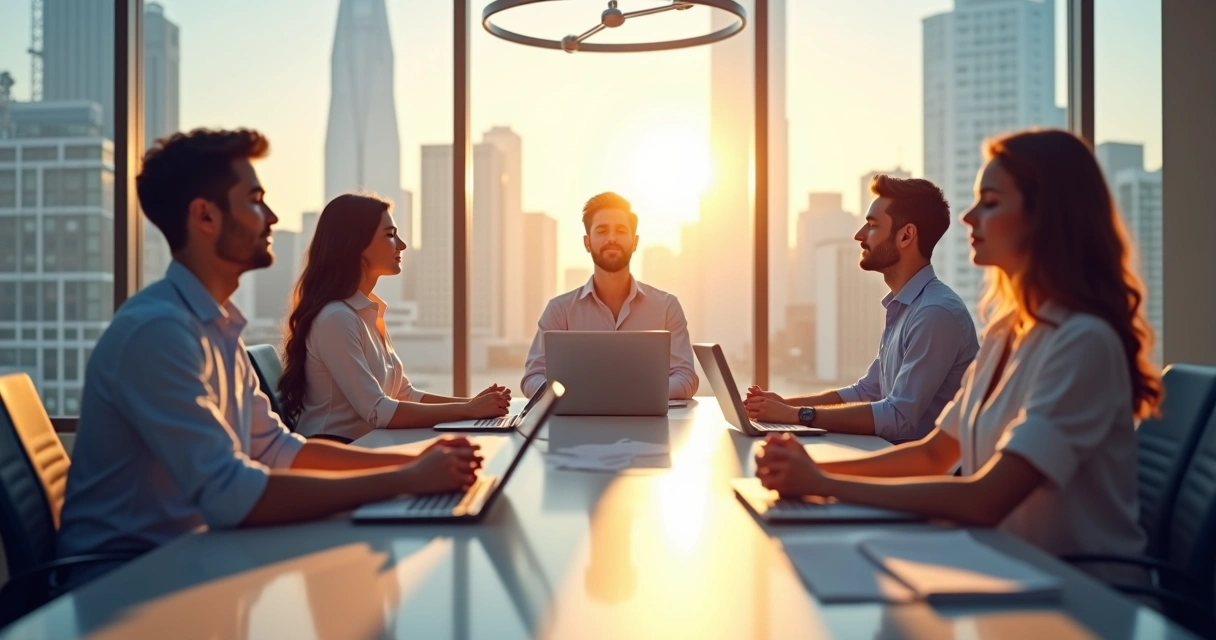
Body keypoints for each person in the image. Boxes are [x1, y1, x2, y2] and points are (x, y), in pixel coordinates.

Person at [56, 129, 482, 590]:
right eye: (255, 200)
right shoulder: (157, 332)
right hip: (121, 587)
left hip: (193, 563)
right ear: (205, 216)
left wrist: (415, 462)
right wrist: (408, 479)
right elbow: (232, 495)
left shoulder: (214, 329)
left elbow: (280, 451)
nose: (272, 216)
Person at [755, 129, 1160, 579]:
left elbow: (985, 498)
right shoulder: (1007, 332)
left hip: (1082, 599)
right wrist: (812, 471)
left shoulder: (1083, 342)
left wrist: (826, 483)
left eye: (989, 202)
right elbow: (933, 455)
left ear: (1045, 218)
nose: (968, 217)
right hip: (1010, 571)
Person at [745, 175, 978, 442]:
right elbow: (867, 391)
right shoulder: (904, 307)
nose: (859, 235)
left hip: (928, 478)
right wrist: (783, 405)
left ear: (906, 235)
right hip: (889, 459)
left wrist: (797, 415)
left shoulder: (935, 313)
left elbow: (897, 418)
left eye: (872, 225)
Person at [280, 193, 512, 442]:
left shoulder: (368, 312)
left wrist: (474, 403)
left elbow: (404, 394)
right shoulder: (336, 319)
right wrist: (467, 410)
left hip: (370, 444)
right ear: (356, 244)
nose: (401, 245)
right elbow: (378, 411)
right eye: (390, 235)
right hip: (339, 453)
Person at [522, 192, 698, 399]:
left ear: (634, 241)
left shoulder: (666, 306)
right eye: (602, 231)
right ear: (587, 242)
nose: (612, 238)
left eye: (621, 231)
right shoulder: (560, 310)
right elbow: (533, 377)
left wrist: (633, 395)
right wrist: (576, 394)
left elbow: (686, 377)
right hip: (578, 427)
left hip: (650, 427)